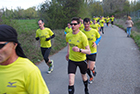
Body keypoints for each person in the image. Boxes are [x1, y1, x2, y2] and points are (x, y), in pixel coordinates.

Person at [0, 24, 50, 94]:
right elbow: (37, 37)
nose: (40, 25)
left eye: (0, 46)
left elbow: (52, 35)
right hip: (42, 46)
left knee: (46, 58)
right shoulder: (38, 31)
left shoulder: (29, 70)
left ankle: (50, 64)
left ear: (15, 45)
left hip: (48, 46)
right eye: (39, 24)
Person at [66, 17, 91, 94]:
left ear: (79, 25)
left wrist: (80, 50)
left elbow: (89, 51)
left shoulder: (82, 36)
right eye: (71, 24)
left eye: (75, 24)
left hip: (81, 60)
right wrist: (68, 53)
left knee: (84, 76)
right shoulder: (68, 35)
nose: (73, 25)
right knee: (70, 81)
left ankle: (86, 89)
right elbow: (69, 45)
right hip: (72, 60)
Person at [82, 18, 101, 84]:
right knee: (85, 67)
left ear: (90, 24)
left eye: (87, 24)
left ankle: (93, 69)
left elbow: (99, 37)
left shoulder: (94, 31)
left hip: (92, 51)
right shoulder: (81, 32)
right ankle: (90, 77)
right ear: (83, 24)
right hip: (85, 52)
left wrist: (96, 43)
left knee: (90, 67)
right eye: (85, 24)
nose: (86, 25)